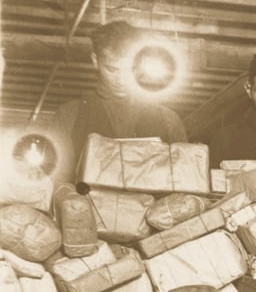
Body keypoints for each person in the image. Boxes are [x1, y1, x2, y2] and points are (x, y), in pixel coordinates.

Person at [50, 20, 187, 182]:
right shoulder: (69, 116)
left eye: (129, 69)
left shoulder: (169, 120)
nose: (121, 80)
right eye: (112, 69)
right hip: (88, 206)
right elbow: (56, 182)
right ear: (95, 61)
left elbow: (186, 180)